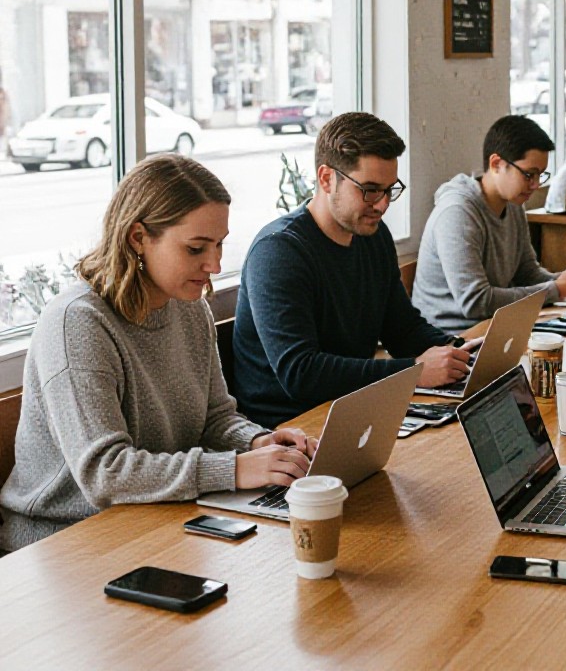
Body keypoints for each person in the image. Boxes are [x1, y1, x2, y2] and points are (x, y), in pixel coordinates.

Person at [0, 155, 312, 552]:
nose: (214, 264)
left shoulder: (189, 305)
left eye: (219, 245)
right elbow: (105, 473)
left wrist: (259, 445)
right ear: (137, 238)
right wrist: (234, 469)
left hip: (154, 516)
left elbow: (214, 419)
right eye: (196, 248)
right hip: (62, 541)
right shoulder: (77, 323)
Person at [232, 112, 472, 428]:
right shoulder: (278, 252)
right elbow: (300, 373)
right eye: (370, 189)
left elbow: (402, 329)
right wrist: (413, 372)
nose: (383, 204)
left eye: (389, 190)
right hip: (289, 429)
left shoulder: (372, 235)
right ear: (326, 178)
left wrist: (460, 354)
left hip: (350, 409)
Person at [413, 114, 566, 333]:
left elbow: (527, 272)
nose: (534, 185)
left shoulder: (513, 204)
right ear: (496, 164)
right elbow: (476, 302)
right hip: (453, 338)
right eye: (529, 174)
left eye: (540, 175)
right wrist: (556, 289)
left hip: (494, 326)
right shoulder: (458, 212)